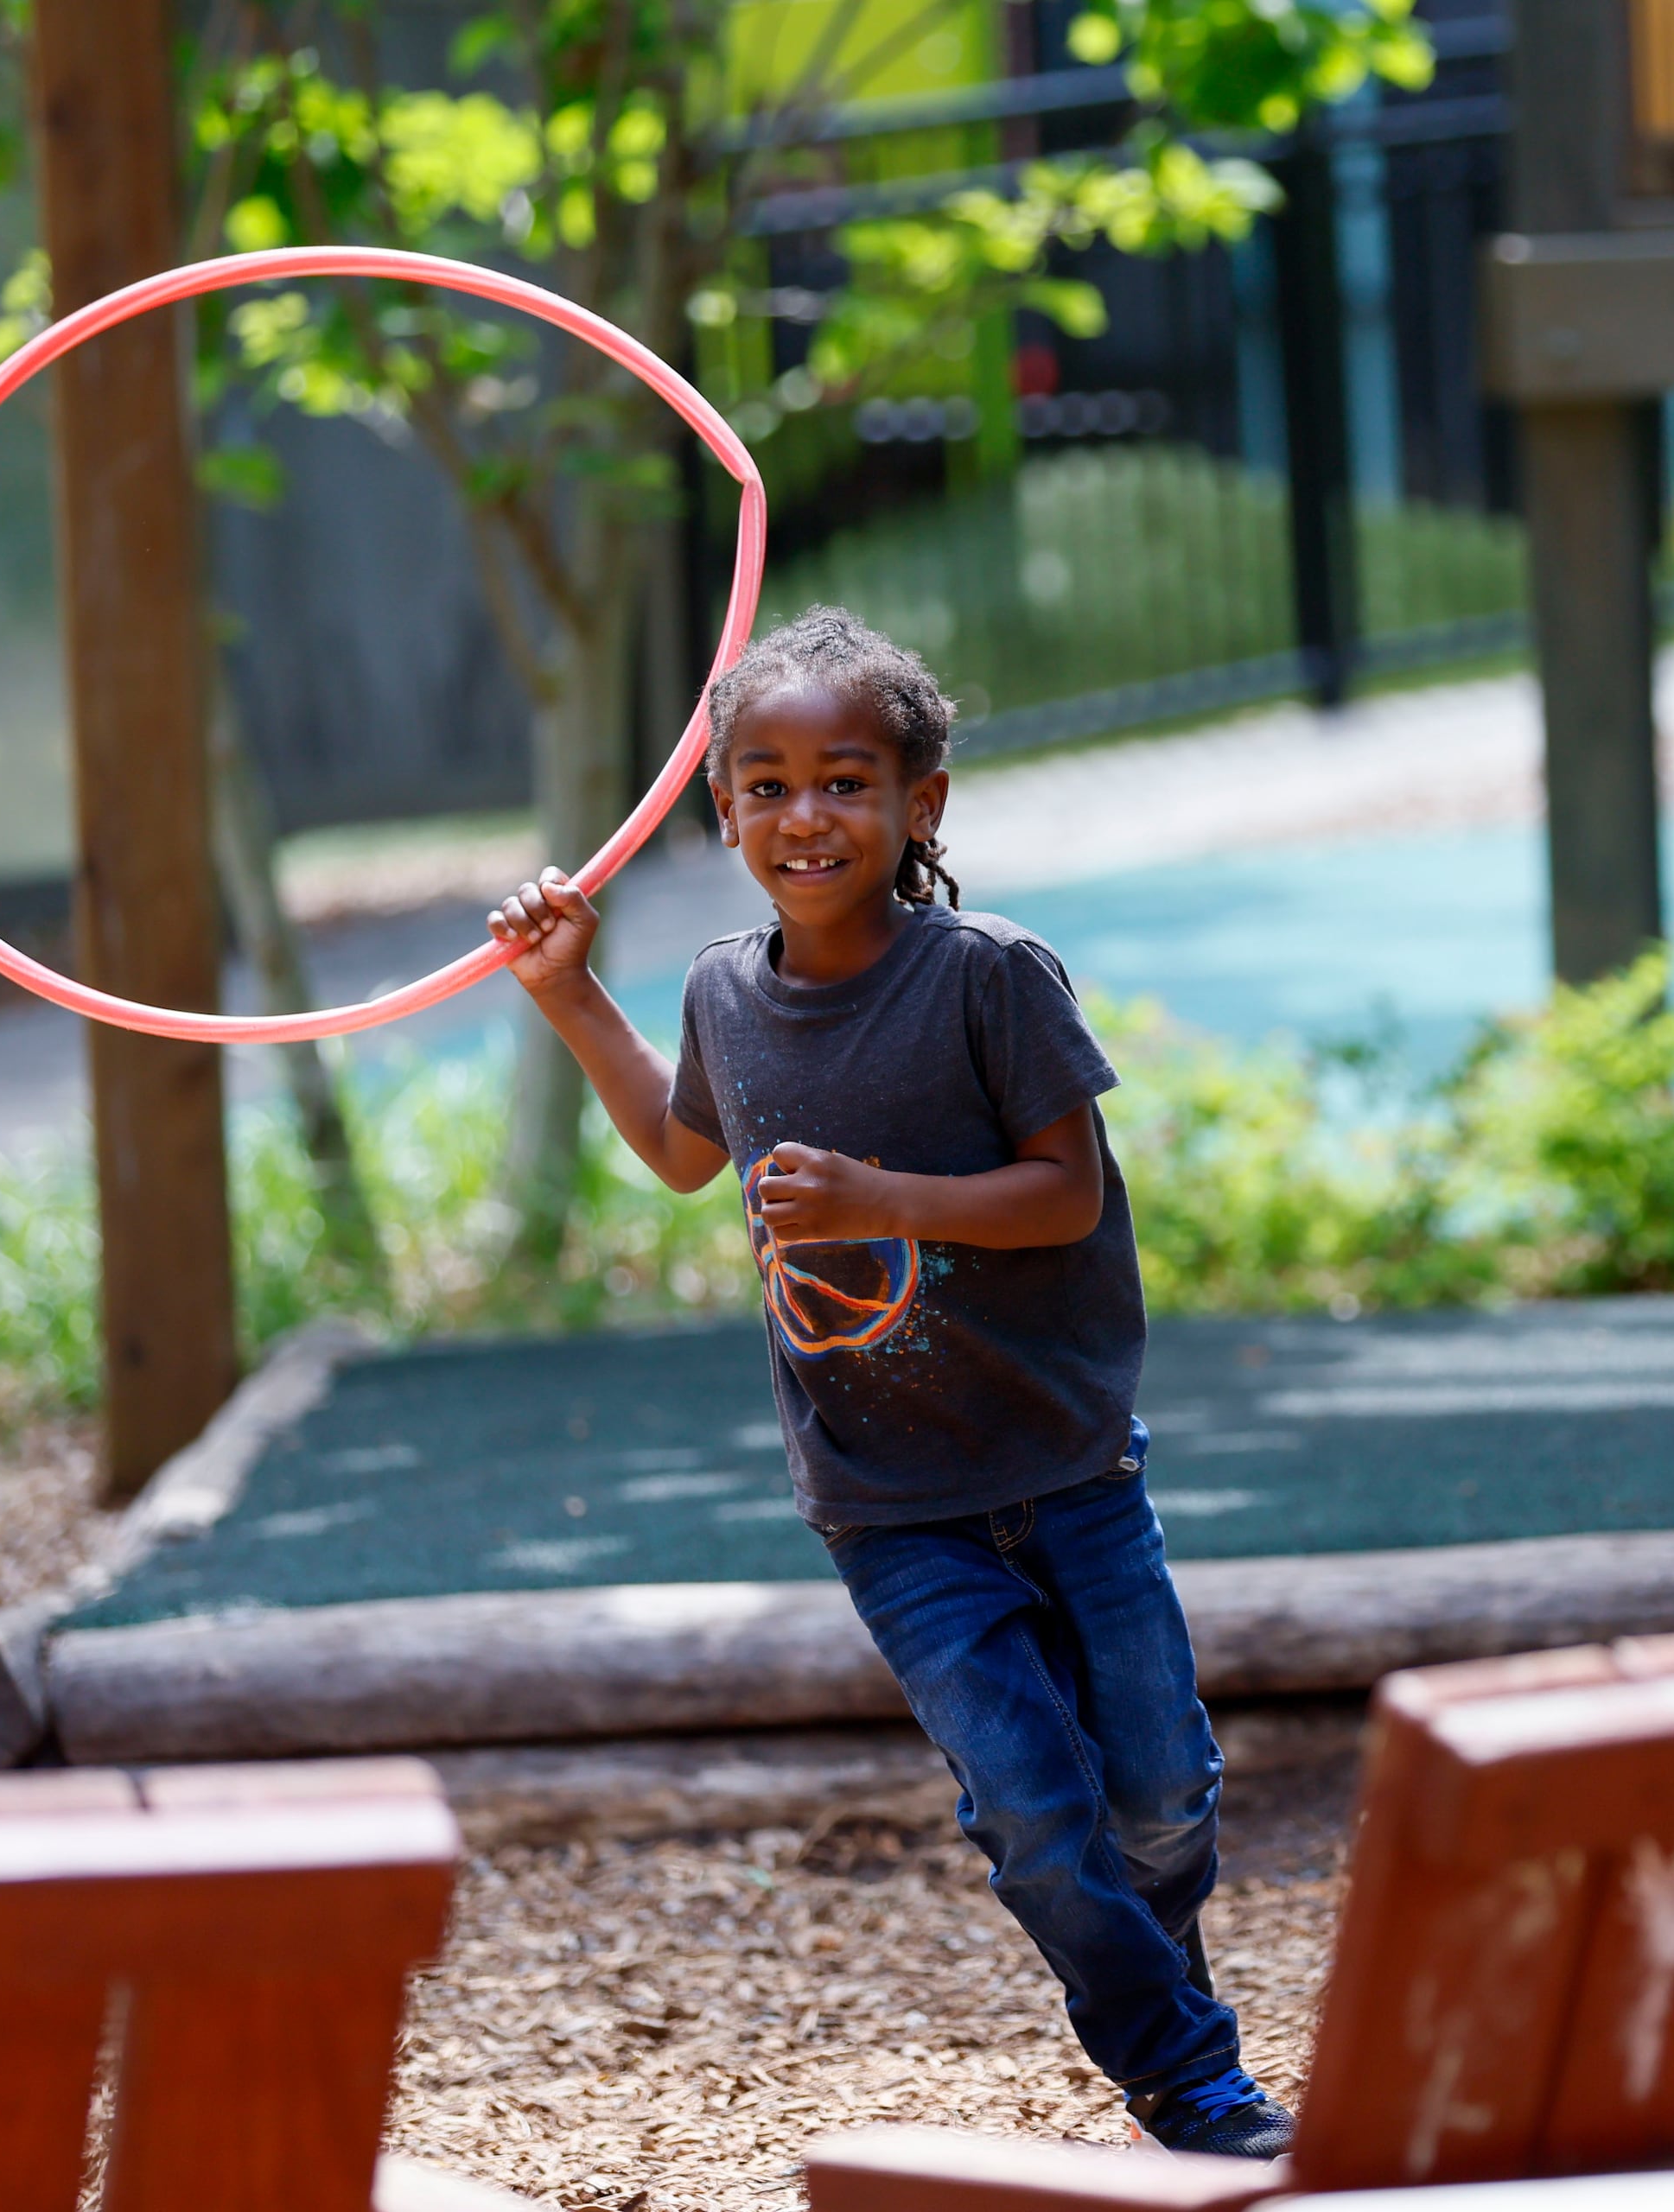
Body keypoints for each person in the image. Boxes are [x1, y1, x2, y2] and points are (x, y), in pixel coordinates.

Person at [485, 606, 1295, 2159]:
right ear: (724, 811)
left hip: (1067, 1469)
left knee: (1160, 1801)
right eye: (769, 784)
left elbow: (1063, 1194)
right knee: (1035, 1817)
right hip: (892, 1507)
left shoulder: (989, 979)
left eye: (846, 781)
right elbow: (677, 1153)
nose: (807, 816)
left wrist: (882, 1202)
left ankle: (1156, 1983)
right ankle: (1193, 2083)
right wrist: (569, 997)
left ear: (921, 803)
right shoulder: (726, 990)